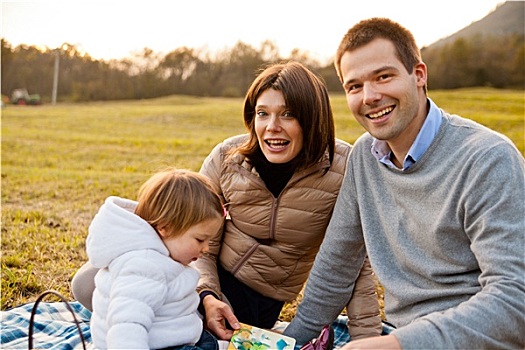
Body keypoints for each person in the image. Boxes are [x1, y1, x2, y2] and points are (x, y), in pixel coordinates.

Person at [72, 61, 383, 343]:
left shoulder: (343, 169)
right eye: (263, 113)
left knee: (142, 305)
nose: (271, 127)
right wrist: (207, 294)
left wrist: (367, 339)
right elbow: (195, 230)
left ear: (312, 119)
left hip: (256, 300)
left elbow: (354, 261)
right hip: (200, 273)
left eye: (288, 114)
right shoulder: (226, 157)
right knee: (89, 282)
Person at [283, 17, 525, 349]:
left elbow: (515, 302)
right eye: (354, 86)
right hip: (397, 332)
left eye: (383, 77)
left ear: (419, 75)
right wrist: (286, 343)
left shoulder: (488, 158)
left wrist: (397, 345)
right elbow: (336, 267)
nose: (369, 96)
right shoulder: (364, 159)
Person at [86, 168, 225, 349]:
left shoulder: (163, 255)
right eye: (200, 239)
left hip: (178, 336)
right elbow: (126, 326)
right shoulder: (145, 266)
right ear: (165, 228)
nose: (206, 248)